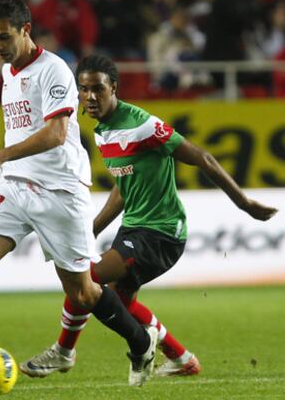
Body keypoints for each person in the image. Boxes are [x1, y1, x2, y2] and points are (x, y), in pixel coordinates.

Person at [0, 0, 157, 389]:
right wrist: (8, 164)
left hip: (60, 190)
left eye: (4, 37)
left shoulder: (54, 70)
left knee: (84, 293)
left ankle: (141, 342)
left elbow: (56, 134)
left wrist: (0, 154)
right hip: (16, 184)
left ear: (25, 30)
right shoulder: (8, 72)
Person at [19, 54, 279, 378]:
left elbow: (202, 157)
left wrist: (243, 203)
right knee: (118, 302)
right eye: (84, 90)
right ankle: (182, 359)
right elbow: (124, 187)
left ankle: (64, 351)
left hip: (162, 232)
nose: (90, 97)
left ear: (113, 87)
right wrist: (92, 229)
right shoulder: (103, 132)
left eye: (98, 88)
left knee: (86, 279)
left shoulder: (141, 124)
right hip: (134, 229)